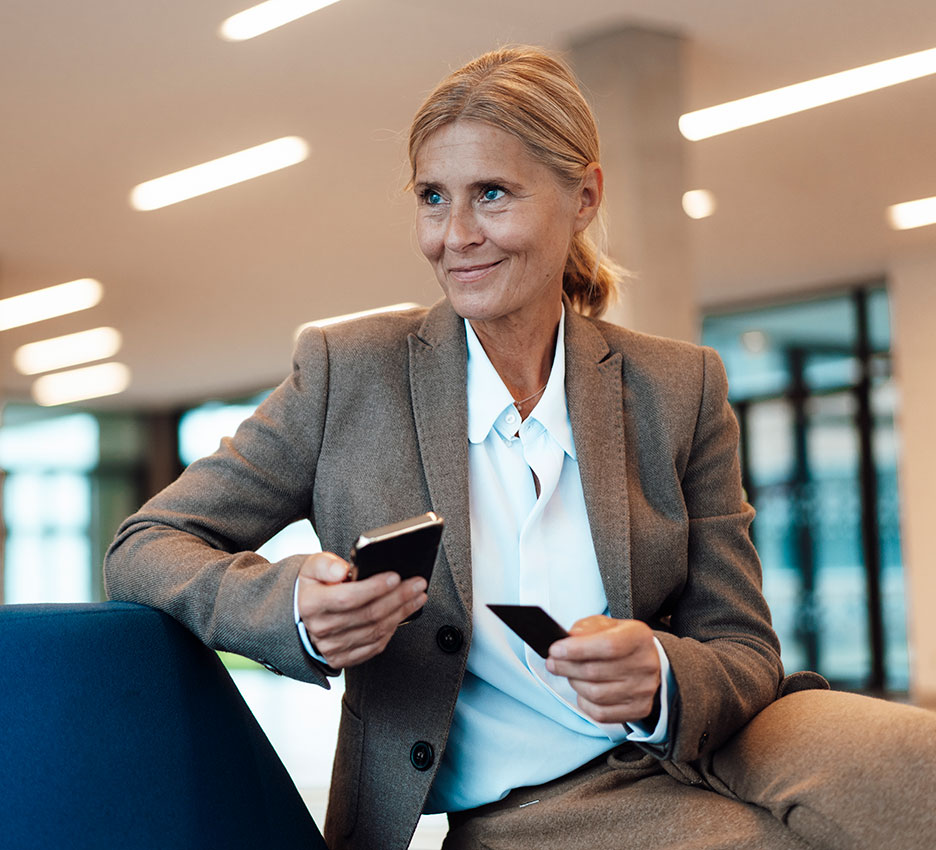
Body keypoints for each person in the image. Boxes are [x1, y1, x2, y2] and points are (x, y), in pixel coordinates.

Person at [103, 45, 936, 850]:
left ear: (583, 197)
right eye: (433, 197)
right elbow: (143, 546)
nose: (453, 234)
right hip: (551, 800)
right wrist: (291, 608)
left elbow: (745, 648)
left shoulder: (678, 386)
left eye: (492, 193)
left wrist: (660, 675)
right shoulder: (347, 374)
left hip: (732, 738)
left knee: (919, 773)